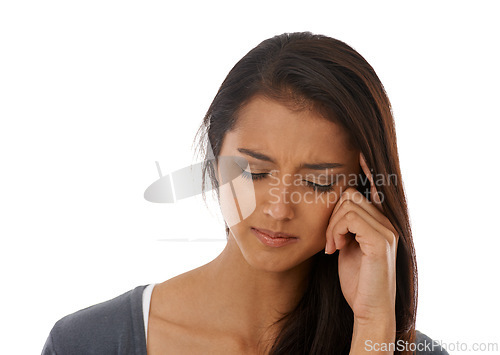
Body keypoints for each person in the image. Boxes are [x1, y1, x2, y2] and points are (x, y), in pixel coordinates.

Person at [42, 31, 449, 354]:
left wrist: (373, 327)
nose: (278, 208)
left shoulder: (398, 347)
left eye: (317, 182)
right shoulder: (87, 343)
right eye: (254, 171)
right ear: (215, 153)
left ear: (362, 187)